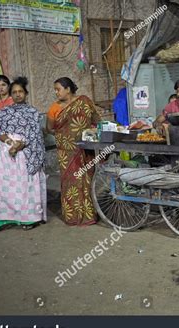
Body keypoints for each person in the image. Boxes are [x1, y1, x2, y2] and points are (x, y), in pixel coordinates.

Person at [0, 77, 46, 232]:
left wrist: (20, 145)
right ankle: (4, 218)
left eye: (21, 91)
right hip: (7, 156)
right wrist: (10, 143)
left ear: (26, 94)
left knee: (25, 187)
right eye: (14, 92)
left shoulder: (33, 112)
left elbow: (35, 135)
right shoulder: (5, 112)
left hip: (26, 154)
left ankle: (30, 219)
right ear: (11, 94)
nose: (18, 94)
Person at [50, 77, 101, 226]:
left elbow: (96, 120)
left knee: (87, 180)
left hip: (85, 148)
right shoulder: (55, 107)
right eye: (55, 90)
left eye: (58, 89)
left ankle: (89, 215)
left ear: (68, 89)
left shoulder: (84, 101)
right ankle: (73, 216)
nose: (56, 92)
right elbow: (50, 127)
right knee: (70, 182)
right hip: (66, 152)